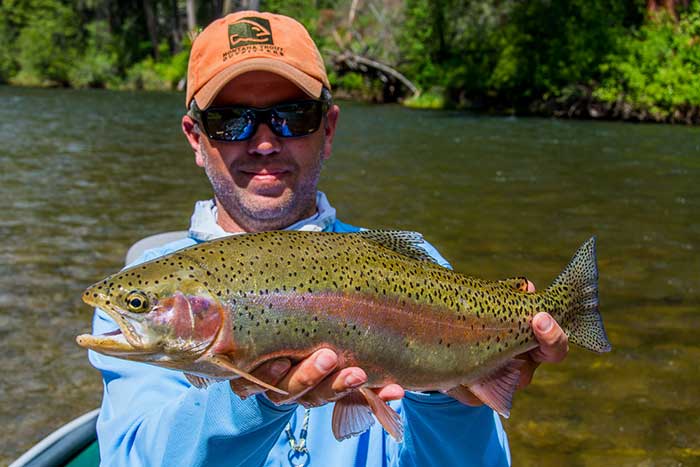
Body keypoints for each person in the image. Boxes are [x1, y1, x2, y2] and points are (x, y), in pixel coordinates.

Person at [88, 11, 569, 467]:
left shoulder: (407, 272)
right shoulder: (149, 291)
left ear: (330, 128)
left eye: (293, 116)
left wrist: (450, 398)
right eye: (231, 120)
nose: (263, 141)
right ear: (196, 137)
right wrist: (257, 403)